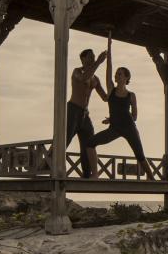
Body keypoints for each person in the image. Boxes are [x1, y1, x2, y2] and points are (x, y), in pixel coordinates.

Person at [87, 33, 154, 180]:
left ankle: (151, 177)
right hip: (115, 129)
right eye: (117, 74)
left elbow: (134, 116)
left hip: (129, 128)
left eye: (120, 74)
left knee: (140, 155)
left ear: (126, 78)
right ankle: (95, 174)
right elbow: (109, 68)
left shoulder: (131, 95)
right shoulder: (111, 89)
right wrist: (109, 48)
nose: (117, 75)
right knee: (90, 143)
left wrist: (116, 118)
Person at [66, 48, 107, 178]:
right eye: (90, 56)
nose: (93, 58)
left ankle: (87, 173)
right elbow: (84, 78)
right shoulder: (77, 72)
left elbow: (105, 97)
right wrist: (99, 62)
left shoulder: (95, 79)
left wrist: (118, 89)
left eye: (94, 56)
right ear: (83, 59)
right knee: (64, 140)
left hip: (84, 114)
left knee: (89, 143)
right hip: (73, 110)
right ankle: (47, 165)